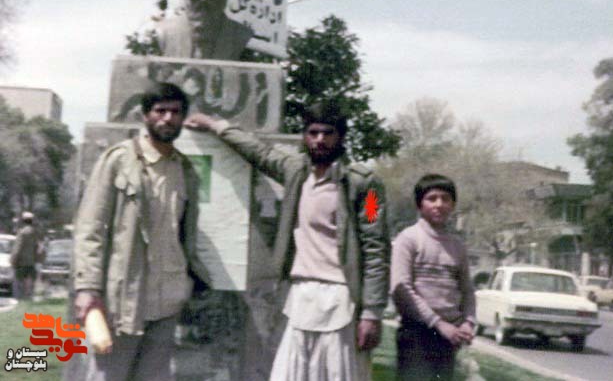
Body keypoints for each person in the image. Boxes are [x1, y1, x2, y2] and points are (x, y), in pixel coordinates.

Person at [184, 100, 389, 381]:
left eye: (328, 133)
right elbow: (257, 151)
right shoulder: (296, 172)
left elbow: (376, 248)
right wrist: (214, 125)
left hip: (342, 300)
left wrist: (372, 313)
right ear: (304, 136)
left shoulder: (367, 186)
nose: (319, 140)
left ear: (340, 137)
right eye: (313, 132)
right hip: (301, 296)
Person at [73, 82, 211, 381]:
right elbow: (90, 228)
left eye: (175, 112)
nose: (167, 118)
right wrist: (87, 288)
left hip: (167, 301)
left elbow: (184, 234)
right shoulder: (118, 160)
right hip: (122, 301)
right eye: (160, 111)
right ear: (146, 115)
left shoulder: (185, 169)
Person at [390, 174, 476, 380]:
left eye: (445, 198)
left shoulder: (457, 246)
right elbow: (401, 289)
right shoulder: (408, 239)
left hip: (449, 337)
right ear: (420, 204)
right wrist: (438, 324)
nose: (439, 204)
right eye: (432, 198)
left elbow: (467, 290)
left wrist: (468, 322)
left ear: (453, 204)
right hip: (417, 333)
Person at [11, 211, 39, 299]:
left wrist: (13, 260)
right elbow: (37, 247)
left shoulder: (22, 233)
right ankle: (28, 299)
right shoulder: (35, 233)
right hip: (32, 262)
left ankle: (19, 300)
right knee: (29, 285)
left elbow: (17, 248)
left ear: (23, 221)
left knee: (18, 284)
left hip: (21, 263)